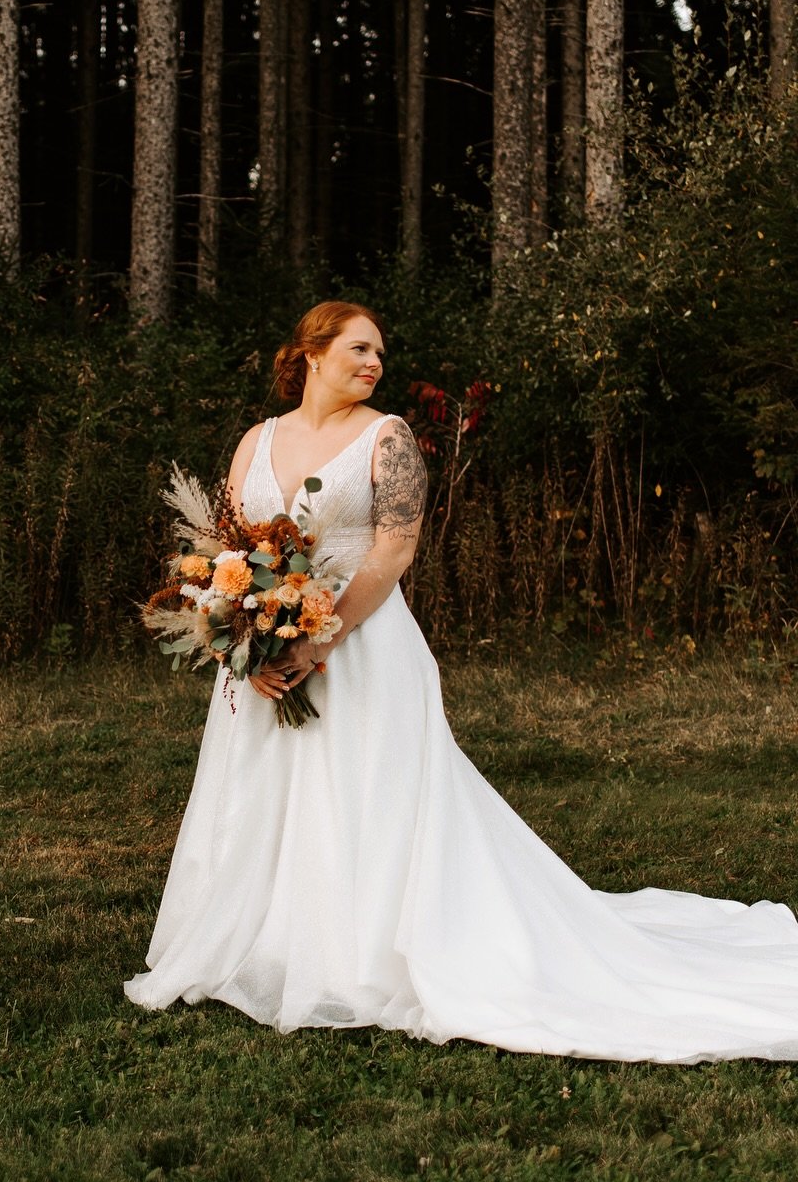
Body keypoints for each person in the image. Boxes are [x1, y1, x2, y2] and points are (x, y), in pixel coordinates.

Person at [125, 300, 798, 1063]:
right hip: (263, 658)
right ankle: (263, 944)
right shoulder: (258, 440)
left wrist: (318, 643)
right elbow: (224, 546)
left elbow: (393, 551)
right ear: (311, 352)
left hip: (361, 646)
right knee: (265, 792)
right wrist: (236, 631)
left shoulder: (388, 438)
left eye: (381, 353)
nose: (375, 363)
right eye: (359, 348)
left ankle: (359, 958)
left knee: (366, 799)